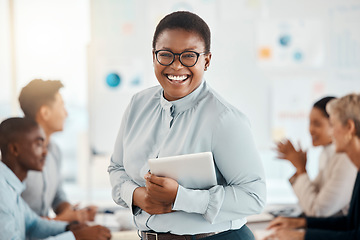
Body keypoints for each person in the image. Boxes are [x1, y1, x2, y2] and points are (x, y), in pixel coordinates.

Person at [108, 11, 266, 240]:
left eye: (189, 56)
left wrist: (181, 197)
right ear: (154, 56)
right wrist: (137, 195)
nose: (176, 66)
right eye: (166, 55)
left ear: (206, 60)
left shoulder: (224, 119)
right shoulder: (137, 105)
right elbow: (116, 168)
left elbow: (254, 197)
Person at [266, 93, 360, 240]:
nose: (332, 132)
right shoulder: (353, 167)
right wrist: (300, 223)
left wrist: (301, 235)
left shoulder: (348, 163)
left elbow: (319, 210)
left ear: (349, 127)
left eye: (333, 125)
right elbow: (350, 223)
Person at [0, 117, 111, 240]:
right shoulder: (2, 191)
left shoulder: (11, 187)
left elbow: (33, 224)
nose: (45, 152)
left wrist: (68, 228)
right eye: (38, 145)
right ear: (15, 149)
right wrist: (76, 237)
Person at [18, 79, 97, 223]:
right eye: (62, 106)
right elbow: (15, 221)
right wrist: (62, 220)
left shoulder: (54, 150)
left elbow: (57, 196)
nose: (66, 114)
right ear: (45, 112)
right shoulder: (16, 156)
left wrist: (72, 212)